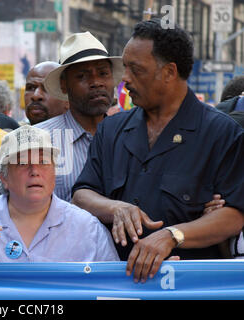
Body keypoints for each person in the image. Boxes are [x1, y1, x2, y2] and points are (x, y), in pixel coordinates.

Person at [72, 19, 244, 283]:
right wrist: (114, 207)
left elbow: (233, 216)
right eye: (125, 68)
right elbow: (82, 194)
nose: (125, 79)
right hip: (116, 285)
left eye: (136, 70)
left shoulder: (221, 134)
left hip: (189, 286)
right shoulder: (112, 130)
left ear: (169, 72)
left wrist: (173, 235)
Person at [0, 125, 119, 263]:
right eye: (22, 163)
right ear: (4, 177)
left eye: (43, 162)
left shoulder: (87, 228)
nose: (34, 171)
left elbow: (112, 288)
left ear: (54, 172)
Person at [35, 32, 123, 202]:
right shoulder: (40, 140)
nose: (96, 82)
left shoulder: (128, 136)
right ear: (64, 84)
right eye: (82, 76)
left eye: (103, 73)